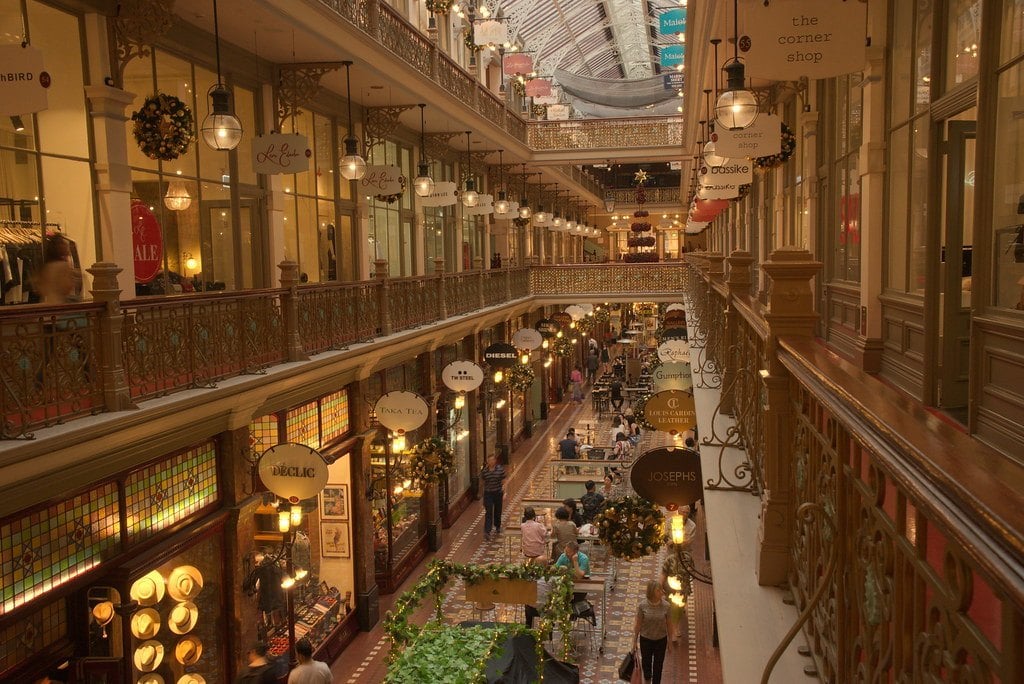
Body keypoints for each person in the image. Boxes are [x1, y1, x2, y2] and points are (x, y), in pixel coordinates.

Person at [633, 580, 673, 684]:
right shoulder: (642, 605)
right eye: (658, 590)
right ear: (651, 591)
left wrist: (670, 641)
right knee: (646, 663)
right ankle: (647, 679)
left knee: (658, 665)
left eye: (661, 589)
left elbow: (669, 624)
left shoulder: (666, 606)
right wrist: (634, 641)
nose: (661, 592)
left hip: (661, 640)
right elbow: (638, 624)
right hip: (646, 639)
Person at [480, 454, 506, 540]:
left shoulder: (500, 470)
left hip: (498, 493)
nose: (490, 462)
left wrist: (504, 492)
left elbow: (504, 481)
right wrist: (483, 496)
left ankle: (497, 526)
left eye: (492, 460)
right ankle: (487, 531)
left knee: (498, 511)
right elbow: (483, 483)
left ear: (495, 461)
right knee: (489, 512)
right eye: (489, 460)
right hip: (488, 494)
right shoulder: (484, 471)